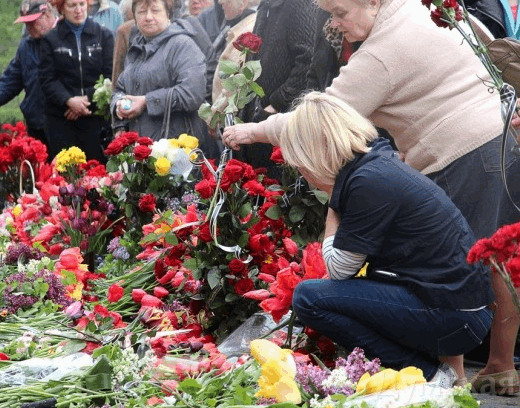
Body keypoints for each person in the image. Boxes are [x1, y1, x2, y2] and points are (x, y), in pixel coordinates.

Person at [223, 0, 520, 395]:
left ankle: (452, 380)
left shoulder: (382, 52)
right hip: (500, 139)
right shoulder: (417, 10)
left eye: (340, 12)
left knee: (466, 265)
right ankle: (498, 365)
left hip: (460, 152)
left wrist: (254, 132)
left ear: (373, 2)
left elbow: (322, 118)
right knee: (498, 258)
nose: (334, 23)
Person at [280, 92, 495, 387]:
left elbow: (339, 269)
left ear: (315, 152)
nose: (303, 175)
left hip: (455, 320)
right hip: (461, 311)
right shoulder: (377, 164)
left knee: (308, 298)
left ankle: (429, 374)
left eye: (301, 166)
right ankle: (451, 377)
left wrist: (332, 199)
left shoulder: (366, 182)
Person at [111, 0, 219, 158]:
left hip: (177, 151)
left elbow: (192, 93)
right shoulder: (137, 46)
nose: (148, 17)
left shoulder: (182, 45)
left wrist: (147, 101)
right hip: (145, 151)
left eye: (155, 11)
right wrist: (119, 106)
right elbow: (120, 87)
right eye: (141, 12)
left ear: (167, 13)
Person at [234, 0, 321, 179]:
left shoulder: (298, 4)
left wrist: (276, 103)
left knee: (275, 193)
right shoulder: (267, 4)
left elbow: (308, 59)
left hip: (281, 121)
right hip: (260, 114)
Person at [0, 0, 57, 148]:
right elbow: (12, 77)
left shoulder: (66, 38)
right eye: (26, 23)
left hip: (62, 124)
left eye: (32, 22)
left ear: (47, 15)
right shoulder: (26, 45)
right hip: (36, 125)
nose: (28, 27)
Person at [39, 0, 114, 162]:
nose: (78, 10)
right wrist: (68, 100)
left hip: (95, 118)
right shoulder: (50, 40)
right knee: (66, 176)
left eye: (82, 4)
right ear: (62, 9)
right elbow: (47, 79)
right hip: (62, 119)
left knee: (97, 175)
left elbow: (111, 77)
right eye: (72, 6)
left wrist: (85, 100)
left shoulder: (104, 36)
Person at [210, 0, 256, 103]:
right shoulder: (240, 27)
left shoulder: (247, 34)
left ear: (242, 3)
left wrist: (213, 115)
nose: (220, 2)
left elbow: (233, 86)